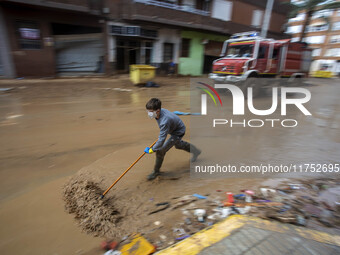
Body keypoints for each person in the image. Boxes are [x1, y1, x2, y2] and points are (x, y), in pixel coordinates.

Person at [144, 98, 201, 180]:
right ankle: (196, 151)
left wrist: (152, 149)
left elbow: (161, 141)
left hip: (178, 132)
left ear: (158, 110)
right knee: (178, 145)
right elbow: (163, 133)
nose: (149, 113)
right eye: (148, 111)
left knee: (160, 151)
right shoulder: (160, 112)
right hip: (173, 127)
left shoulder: (164, 121)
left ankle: (156, 172)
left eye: (151, 112)